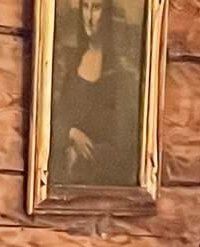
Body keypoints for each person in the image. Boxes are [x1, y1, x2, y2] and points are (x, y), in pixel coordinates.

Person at [52, 0, 139, 188]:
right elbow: (57, 120)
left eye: (97, 8)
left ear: (107, 14)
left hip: (104, 185)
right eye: (85, 7)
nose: (89, 18)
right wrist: (71, 134)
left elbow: (125, 147)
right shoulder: (73, 65)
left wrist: (80, 156)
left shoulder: (120, 75)